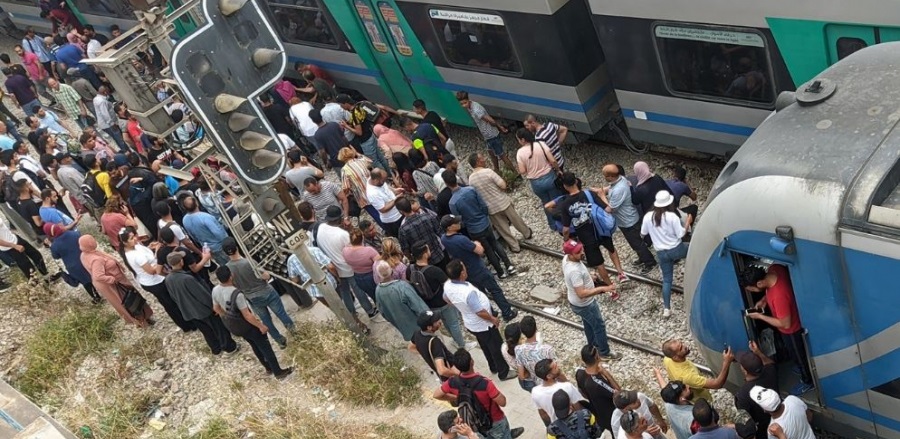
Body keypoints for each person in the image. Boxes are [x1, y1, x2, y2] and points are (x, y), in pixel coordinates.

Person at [743, 265, 814, 395]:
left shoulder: (779, 295)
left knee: (799, 355)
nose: (753, 291)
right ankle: (800, 366)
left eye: (752, 289)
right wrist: (764, 299)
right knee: (796, 355)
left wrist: (760, 316)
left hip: (792, 330)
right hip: (790, 322)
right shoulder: (774, 270)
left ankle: (808, 381)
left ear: (759, 283)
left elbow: (785, 324)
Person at [211, 266, 294, 379]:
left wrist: (227, 316)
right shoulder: (236, 294)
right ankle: (278, 371)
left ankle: (268, 368)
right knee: (265, 347)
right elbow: (247, 315)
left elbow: (216, 308)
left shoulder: (215, 290)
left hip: (235, 327)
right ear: (231, 276)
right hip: (247, 325)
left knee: (254, 345)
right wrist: (261, 326)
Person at [442, 259, 514, 381]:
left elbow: (445, 298)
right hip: (483, 324)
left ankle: (493, 367)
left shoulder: (448, 285)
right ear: (462, 274)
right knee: (496, 346)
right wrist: (493, 319)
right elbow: (479, 312)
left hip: (471, 324)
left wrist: (461, 307)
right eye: (464, 268)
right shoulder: (467, 292)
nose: (466, 269)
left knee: (485, 345)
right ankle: (504, 372)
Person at [433, 349, 525, 439]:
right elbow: (503, 402)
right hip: (495, 420)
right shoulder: (485, 383)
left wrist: (455, 397)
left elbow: (436, 395)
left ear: (457, 367)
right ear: (472, 362)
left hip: (474, 423)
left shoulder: (452, 382)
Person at [441, 215, 517, 321]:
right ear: (449, 227)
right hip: (477, 268)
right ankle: (507, 313)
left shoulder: (444, 239)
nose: (458, 223)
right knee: (495, 290)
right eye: (455, 222)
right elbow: (480, 251)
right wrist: (476, 243)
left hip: (466, 271)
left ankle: (491, 312)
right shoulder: (461, 239)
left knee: (481, 293)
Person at [223, 237, 295, 349]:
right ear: (237, 247)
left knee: (266, 320)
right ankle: (295, 334)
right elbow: (266, 276)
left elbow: (233, 286)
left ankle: (280, 341)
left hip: (251, 297)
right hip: (266, 291)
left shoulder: (227, 268)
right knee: (281, 314)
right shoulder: (249, 262)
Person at [119, 227, 195, 332]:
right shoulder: (134, 255)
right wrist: (159, 256)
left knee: (170, 301)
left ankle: (186, 321)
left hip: (153, 279)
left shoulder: (134, 247)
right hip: (154, 282)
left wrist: (151, 248)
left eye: (134, 236)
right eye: (131, 238)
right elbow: (151, 270)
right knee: (170, 303)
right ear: (124, 242)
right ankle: (186, 324)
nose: (135, 239)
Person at [558, 172, 627, 286]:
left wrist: (566, 240)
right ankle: (621, 273)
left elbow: (565, 229)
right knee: (611, 249)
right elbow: (608, 209)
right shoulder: (589, 194)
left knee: (599, 264)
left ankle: (611, 289)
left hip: (586, 237)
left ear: (565, 186)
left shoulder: (565, 204)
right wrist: (602, 196)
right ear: (576, 181)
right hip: (600, 229)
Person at [447, 170, 518, 279]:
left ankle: (500, 272)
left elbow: (459, 220)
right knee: (495, 243)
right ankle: (509, 265)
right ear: (456, 179)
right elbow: (483, 205)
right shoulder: (470, 189)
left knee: (488, 250)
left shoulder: (452, 202)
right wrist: (484, 216)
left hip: (474, 229)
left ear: (447, 184)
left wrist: (468, 223)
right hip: (484, 222)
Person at [166, 251, 240, 355]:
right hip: (203, 310)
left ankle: (215, 348)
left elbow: (173, 297)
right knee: (219, 328)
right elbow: (202, 295)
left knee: (206, 331)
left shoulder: (168, 279)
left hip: (188, 311)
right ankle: (229, 347)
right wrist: (214, 306)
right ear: (181, 262)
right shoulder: (187, 278)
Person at [314, 205, 377, 327]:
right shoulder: (342, 234)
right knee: (357, 289)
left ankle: (352, 315)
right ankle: (370, 310)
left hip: (334, 267)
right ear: (340, 219)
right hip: (347, 266)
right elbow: (355, 247)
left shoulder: (320, 228)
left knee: (345, 293)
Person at [562, 239, 622, 360]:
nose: (582, 252)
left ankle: (593, 346)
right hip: (584, 304)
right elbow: (582, 293)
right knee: (599, 326)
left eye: (580, 249)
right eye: (578, 252)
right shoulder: (574, 271)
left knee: (589, 324)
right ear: (570, 254)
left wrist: (589, 277)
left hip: (578, 303)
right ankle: (604, 353)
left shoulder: (566, 260)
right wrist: (603, 289)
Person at [79, 234, 154, 326]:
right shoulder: (96, 259)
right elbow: (98, 275)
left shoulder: (85, 254)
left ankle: (139, 320)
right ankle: (143, 320)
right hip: (112, 283)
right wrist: (112, 279)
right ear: (90, 244)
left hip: (110, 282)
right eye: (92, 240)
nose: (94, 240)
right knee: (130, 300)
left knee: (125, 301)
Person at [409, 241, 469, 350]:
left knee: (445, 323)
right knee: (454, 324)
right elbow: (449, 286)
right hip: (443, 303)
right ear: (425, 254)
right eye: (427, 250)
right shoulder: (434, 270)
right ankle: (461, 345)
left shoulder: (410, 269)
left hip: (429, 305)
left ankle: (455, 340)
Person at [467, 152, 530, 253]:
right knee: (516, 220)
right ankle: (527, 233)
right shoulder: (488, 172)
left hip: (491, 208)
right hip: (502, 201)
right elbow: (503, 185)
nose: (485, 159)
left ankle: (515, 247)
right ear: (478, 162)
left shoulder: (470, 179)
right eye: (482, 158)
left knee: (503, 229)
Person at [599, 164, 656, 274]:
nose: (604, 177)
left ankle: (649, 262)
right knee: (637, 242)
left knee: (637, 244)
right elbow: (610, 188)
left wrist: (602, 196)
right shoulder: (621, 180)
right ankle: (643, 257)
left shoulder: (618, 190)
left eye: (605, 175)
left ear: (610, 176)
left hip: (628, 222)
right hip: (630, 218)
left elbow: (610, 209)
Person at [641, 191, 688, 317]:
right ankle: (691, 273)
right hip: (677, 249)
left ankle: (666, 308)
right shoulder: (672, 217)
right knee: (693, 249)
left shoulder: (648, 217)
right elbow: (681, 234)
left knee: (667, 280)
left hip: (661, 253)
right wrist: (688, 221)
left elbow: (643, 233)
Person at [455, 91, 514, 173]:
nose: (463, 105)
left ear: (468, 100)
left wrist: (500, 127)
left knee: (501, 155)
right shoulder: (470, 106)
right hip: (487, 136)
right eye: (461, 104)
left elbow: (491, 121)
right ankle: (497, 170)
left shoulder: (476, 110)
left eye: (465, 103)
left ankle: (515, 173)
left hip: (491, 135)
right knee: (491, 153)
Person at [515, 128, 563, 228]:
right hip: (550, 177)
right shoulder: (540, 144)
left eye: (518, 140)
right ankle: (563, 221)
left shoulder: (519, 153)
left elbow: (522, 171)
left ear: (523, 140)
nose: (518, 142)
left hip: (536, 183)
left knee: (546, 202)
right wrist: (558, 170)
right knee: (556, 200)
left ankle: (553, 225)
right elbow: (553, 161)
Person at [662, 339, 733, 404]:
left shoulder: (667, 359)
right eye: (681, 348)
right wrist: (726, 362)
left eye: (681, 343)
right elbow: (717, 384)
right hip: (700, 401)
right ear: (675, 357)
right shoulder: (688, 376)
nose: (685, 346)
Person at [336, 94, 392, 174]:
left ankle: (384, 176)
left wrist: (346, 126)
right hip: (370, 135)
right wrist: (348, 124)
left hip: (365, 141)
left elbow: (359, 132)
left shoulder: (354, 114)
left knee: (374, 161)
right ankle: (390, 174)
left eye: (341, 105)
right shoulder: (359, 107)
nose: (341, 107)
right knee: (380, 157)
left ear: (345, 103)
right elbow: (361, 122)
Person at [374, 260, 428, 341]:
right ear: (392, 271)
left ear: (378, 275)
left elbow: (383, 312)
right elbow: (418, 305)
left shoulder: (378, 291)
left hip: (403, 327)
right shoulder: (402, 286)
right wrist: (429, 317)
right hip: (419, 325)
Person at [734, 341, 778, 439]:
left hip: (762, 432)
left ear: (745, 371)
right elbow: (770, 363)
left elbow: (745, 420)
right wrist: (758, 352)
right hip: (777, 420)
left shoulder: (743, 395)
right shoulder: (770, 372)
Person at [575, 344, 620, 434]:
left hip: (596, 411)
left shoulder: (579, 373)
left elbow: (582, 393)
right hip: (610, 415)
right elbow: (619, 393)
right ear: (596, 357)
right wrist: (606, 374)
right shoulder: (597, 382)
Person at [531, 359, 587, 424]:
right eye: (555, 367)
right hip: (574, 422)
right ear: (549, 376)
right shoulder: (567, 387)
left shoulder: (535, 392)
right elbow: (578, 408)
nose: (558, 367)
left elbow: (543, 414)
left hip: (558, 424)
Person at [410, 310, 459, 381]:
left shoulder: (417, 333)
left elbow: (411, 347)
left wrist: (426, 355)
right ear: (429, 327)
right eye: (436, 321)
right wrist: (457, 374)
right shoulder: (435, 342)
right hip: (450, 375)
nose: (440, 321)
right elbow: (442, 370)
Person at [397, 197, 446, 268]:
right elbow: (441, 233)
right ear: (410, 205)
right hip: (438, 255)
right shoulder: (427, 217)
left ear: (401, 211)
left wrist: (413, 259)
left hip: (424, 263)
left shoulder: (403, 230)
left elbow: (406, 250)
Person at [749, 386, 814, 439]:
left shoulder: (773, 430)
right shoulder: (793, 399)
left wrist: (780, 435)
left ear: (765, 410)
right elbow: (809, 416)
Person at [515, 316, 562, 389]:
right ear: (536, 329)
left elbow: (522, 376)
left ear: (522, 332)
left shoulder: (518, 349)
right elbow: (557, 371)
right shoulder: (547, 349)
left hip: (538, 384)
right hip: (552, 383)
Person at [182, 195, 229, 266]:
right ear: (196, 203)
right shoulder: (205, 217)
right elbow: (218, 232)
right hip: (220, 246)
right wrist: (227, 241)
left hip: (208, 247)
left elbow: (192, 235)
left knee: (223, 265)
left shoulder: (185, 220)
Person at [338, 147, 378, 222]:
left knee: (375, 214)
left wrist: (345, 196)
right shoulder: (362, 159)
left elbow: (346, 187)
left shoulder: (344, 169)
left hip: (363, 196)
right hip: (375, 188)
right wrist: (355, 153)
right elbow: (371, 161)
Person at [342, 227, 380, 302]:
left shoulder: (345, 250)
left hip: (358, 278)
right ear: (362, 238)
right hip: (371, 276)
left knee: (374, 297)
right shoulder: (369, 250)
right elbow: (379, 264)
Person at [367, 168, 404, 237]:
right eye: (383, 181)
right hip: (393, 220)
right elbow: (383, 209)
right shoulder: (372, 193)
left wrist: (395, 190)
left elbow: (385, 186)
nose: (384, 182)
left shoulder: (374, 180)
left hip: (399, 212)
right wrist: (396, 199)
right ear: (376, 180)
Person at [666, 166, 698, 230]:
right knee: (694, 207)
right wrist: (687, 184)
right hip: (673, 212)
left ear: (674, 174)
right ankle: (688, 230)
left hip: (660, 209)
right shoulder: (683, 186)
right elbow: (694, 197)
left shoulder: (666, 182)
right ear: (684, 178)